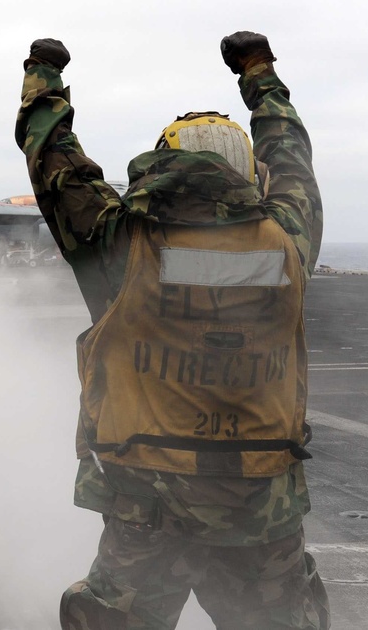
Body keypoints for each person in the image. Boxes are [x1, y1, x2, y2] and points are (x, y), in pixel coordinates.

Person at [16, 32, 328, 629]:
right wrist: (258, 73)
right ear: (248, 174)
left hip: (147, 518)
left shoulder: (119, 245)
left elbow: (53, 159)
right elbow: (291, 158)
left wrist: (44, 75)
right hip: (261, 520)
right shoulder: (289, 240)